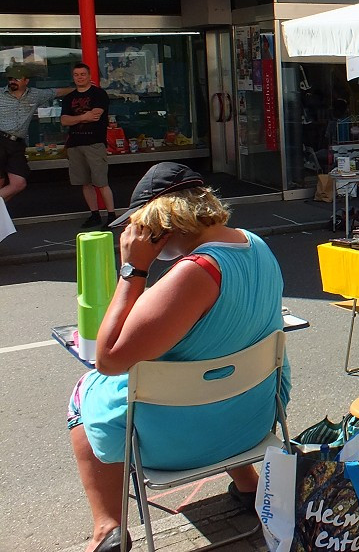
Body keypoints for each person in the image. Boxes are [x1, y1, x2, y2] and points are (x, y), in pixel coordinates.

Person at [67, 162, 290, 552]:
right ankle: (248, 481)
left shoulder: (196, 271)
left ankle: (107, 527)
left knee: (85, 390)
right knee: (221, 361)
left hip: (180, 441)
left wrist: (134, 269)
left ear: (158, 223)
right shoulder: (255, 243)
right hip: (252, 421)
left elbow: (108, 359)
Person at [0, 62, 70, 202]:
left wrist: (82, 88)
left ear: (26, 80)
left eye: (17, 79)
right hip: (0, 139)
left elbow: (56, 92)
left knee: (19, 183)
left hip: (17, 143)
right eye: (10, 79)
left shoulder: (35, 94)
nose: (12, 82)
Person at [61, 63, 116, 228]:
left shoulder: (99, 94)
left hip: (94, 143)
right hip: (74, 144)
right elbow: (64, 121)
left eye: (82, 74)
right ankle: (95, 214)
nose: (79, 77)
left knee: (101, 182)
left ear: (89, 75)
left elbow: (96, 116)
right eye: (76, 74)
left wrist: (76, 118)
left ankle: (112, 215)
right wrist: (83, 116)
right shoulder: (69, 98)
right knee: (85, 182)